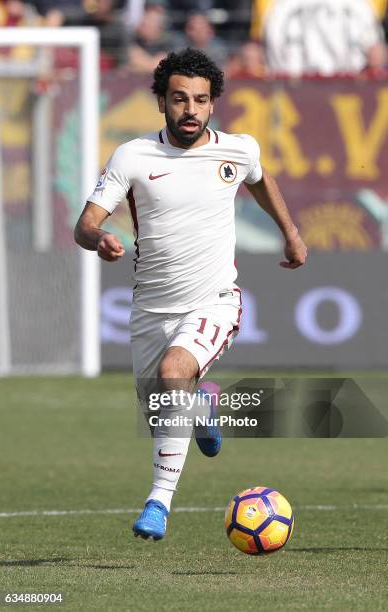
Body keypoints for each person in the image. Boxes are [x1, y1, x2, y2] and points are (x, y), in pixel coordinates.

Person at [74, 48, 307, 541]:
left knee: (173, 372)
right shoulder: (133, 155)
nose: (190, 110)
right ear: (161, 101)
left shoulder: (237, 150)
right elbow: (85, 224)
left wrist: (290, 232)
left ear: (213, 104)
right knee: (164, 410)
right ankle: (202, 407)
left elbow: (260, 180)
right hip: (149, 310)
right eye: (179, 99)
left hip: (214, 300)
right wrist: (100, 239)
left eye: (201, 100)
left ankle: (158, 503)